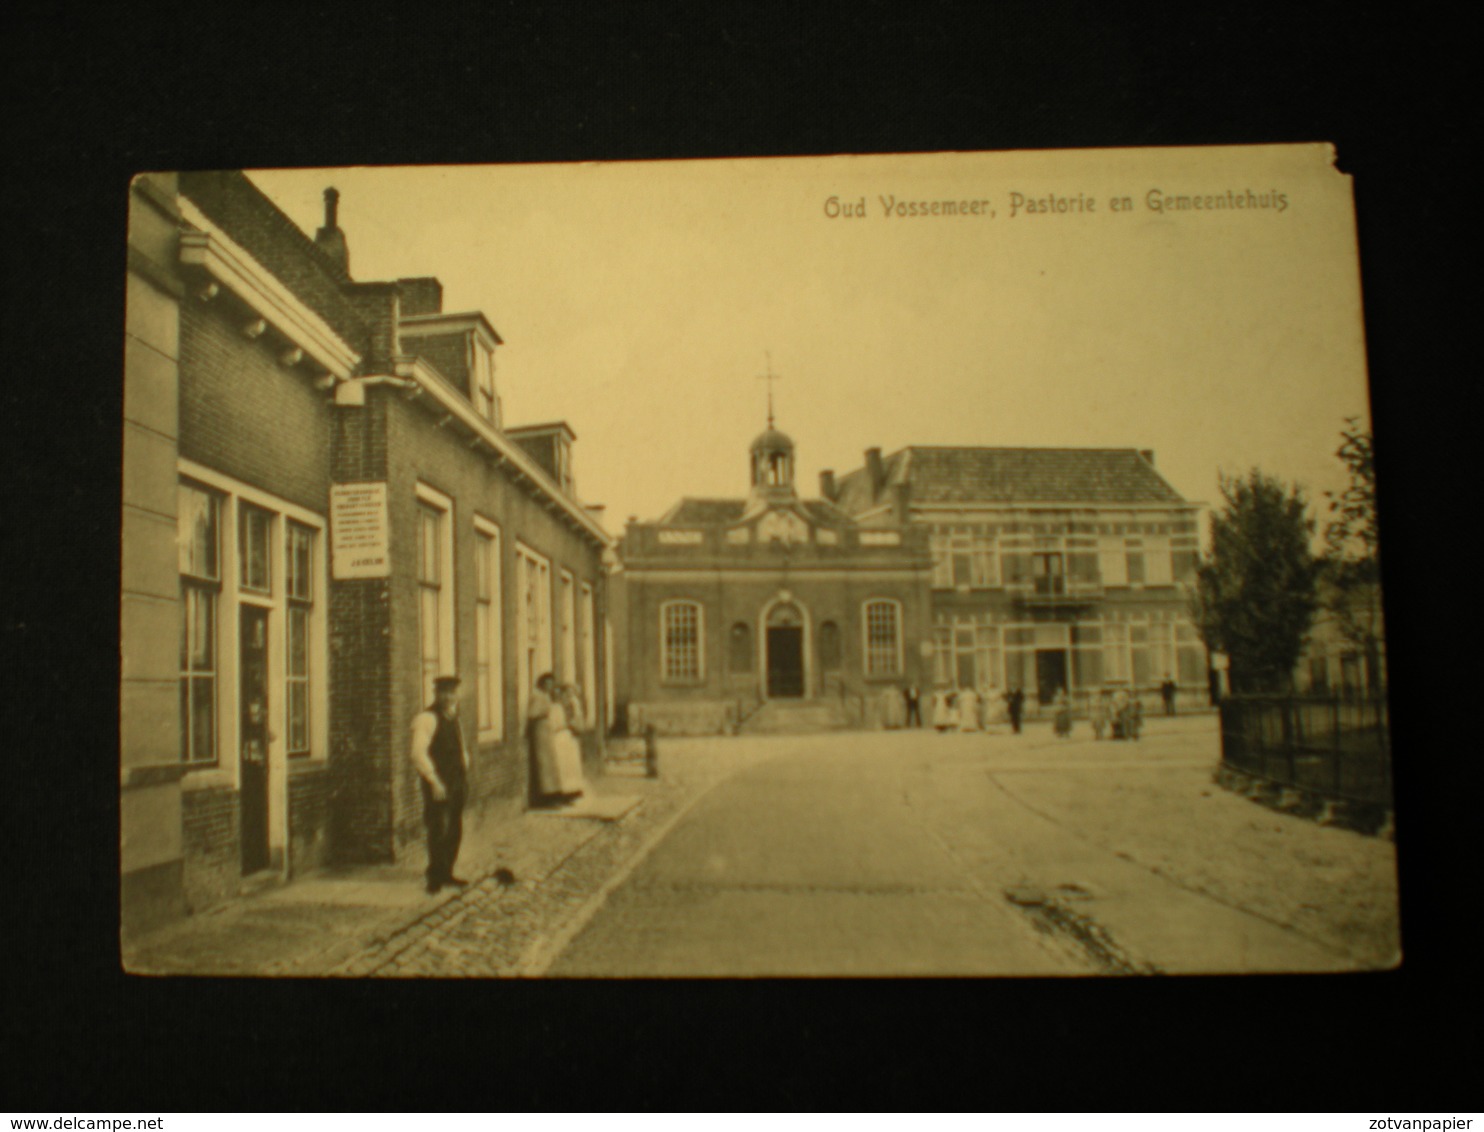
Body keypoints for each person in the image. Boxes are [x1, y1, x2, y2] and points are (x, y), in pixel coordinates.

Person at [410, 675, 471, 894]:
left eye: (452, 692)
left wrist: (464, 771)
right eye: (444, 692)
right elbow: (418, 753)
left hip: (456, 782)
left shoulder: (454, 717)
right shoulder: (427, 718)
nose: (449, 697)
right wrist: (433, 780)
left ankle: (447, 872)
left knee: (454, 827)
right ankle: (434, 876)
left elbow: (461, 747)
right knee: (438, 827)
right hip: (438, 782)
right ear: (436, 693)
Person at [528, 672, 563, 807]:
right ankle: (544, 799)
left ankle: (552, 796)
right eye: (548, 684)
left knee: (550, 765)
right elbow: (532, 714)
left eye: (551, 684)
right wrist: (542, 712)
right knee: (544, 765)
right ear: (542, 684)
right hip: (540, 732)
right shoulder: (537, 696)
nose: (550, 687)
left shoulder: (545, 696)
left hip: (546, 732)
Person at [551, 683, 587, 803]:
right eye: (566, 693)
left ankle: (574, 790)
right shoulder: (556, 707)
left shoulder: (573, 705)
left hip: (570, 737)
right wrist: (566, 725)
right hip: (560, 738)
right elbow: (555, 724)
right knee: (563, 765)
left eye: (570, 694)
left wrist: (574, 725)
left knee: (572, 765)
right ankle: (564, 793)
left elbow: (578, 719)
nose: (568, 696)